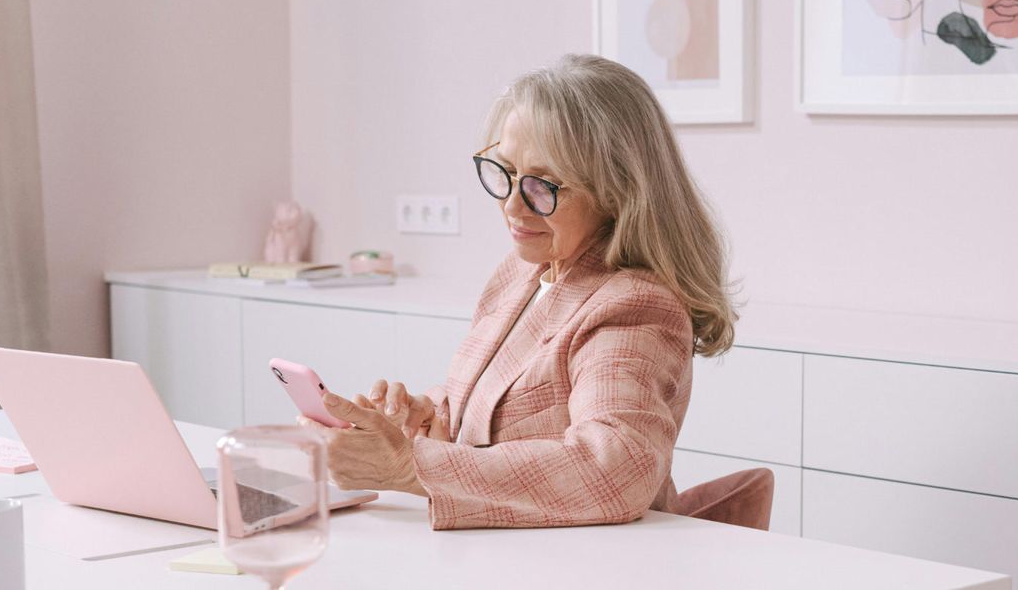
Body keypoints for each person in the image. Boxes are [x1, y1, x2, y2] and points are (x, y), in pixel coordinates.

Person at [305, 54, 737, 530]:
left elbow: (614, 470)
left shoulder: (633, 304)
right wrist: (423, 417)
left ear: (617, 192)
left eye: (542, 185)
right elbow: (508, 406)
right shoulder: (521, 272)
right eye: (505, 171)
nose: (513, 205)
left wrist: (411, 466)